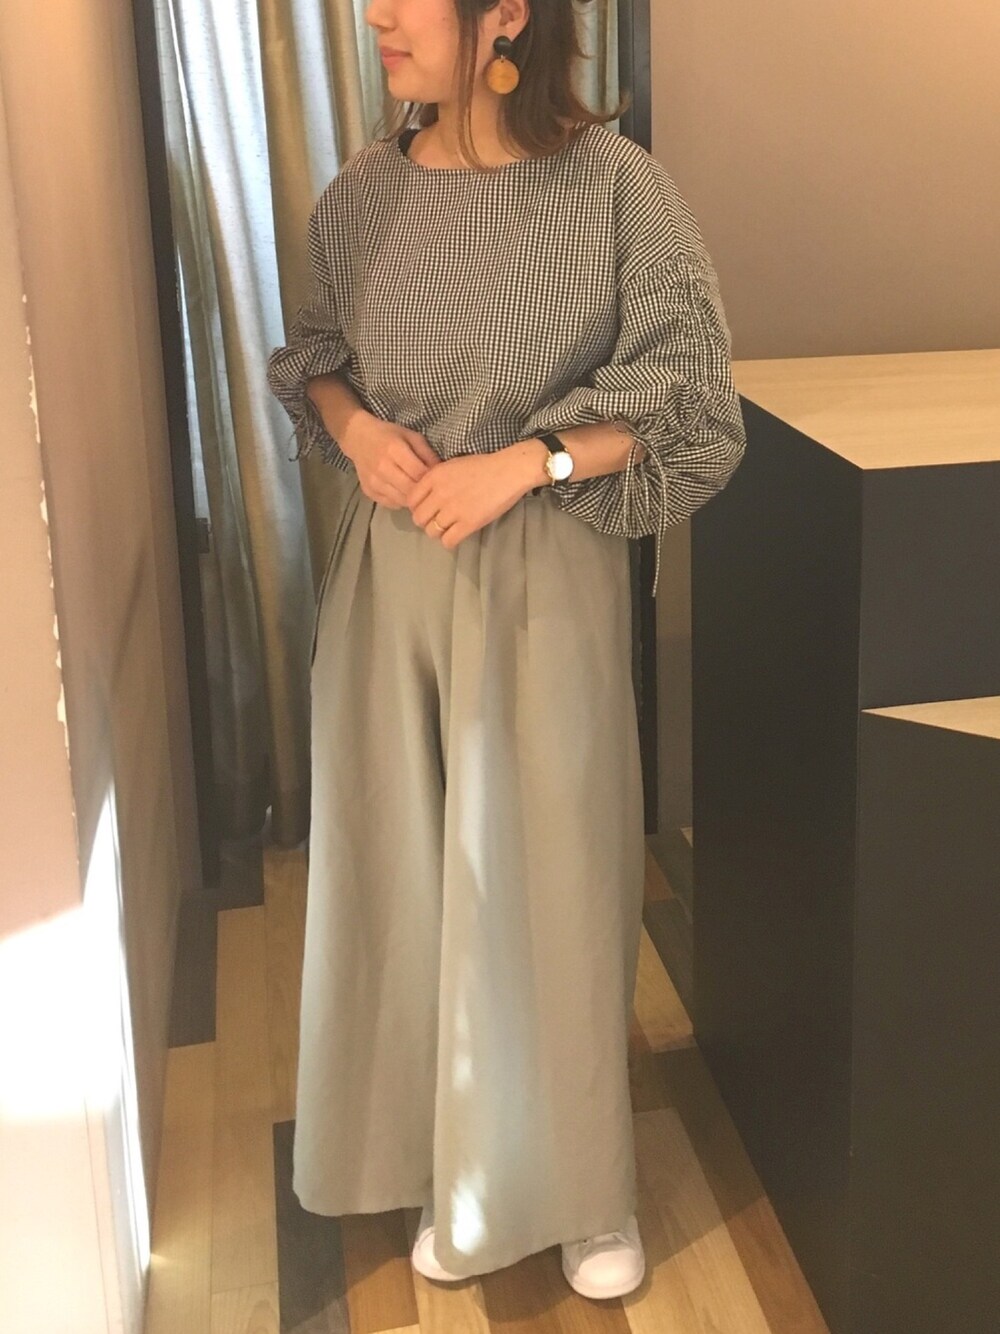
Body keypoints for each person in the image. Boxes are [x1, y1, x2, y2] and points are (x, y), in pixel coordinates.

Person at [266, 0, 746, 1302]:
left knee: (557, 879)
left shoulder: (617, 189)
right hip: (395, 586)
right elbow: (317, 358)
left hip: (545, 573)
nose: (377, 14)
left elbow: (692, 400)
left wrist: (529, 460)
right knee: (410, 877)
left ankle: (584, 1187)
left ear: (508, 15)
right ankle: (454, 1164)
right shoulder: (363, 196)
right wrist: (357, 430)